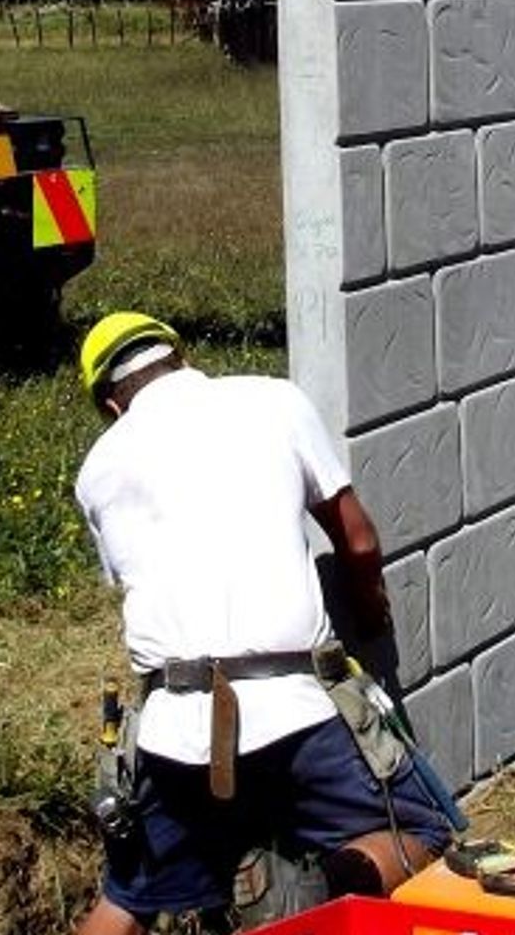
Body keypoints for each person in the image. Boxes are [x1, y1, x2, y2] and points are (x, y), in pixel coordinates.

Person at [71, 311, 450, 934]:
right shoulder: (276, 402)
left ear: (112, 405)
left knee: (131, 899)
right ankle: (322, 893)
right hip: (296, 707)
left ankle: (235, 869)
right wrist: (368, 607)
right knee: (423, 829)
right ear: (183, 358)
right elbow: (354, 537)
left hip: (175, 726)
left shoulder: (98, 469)